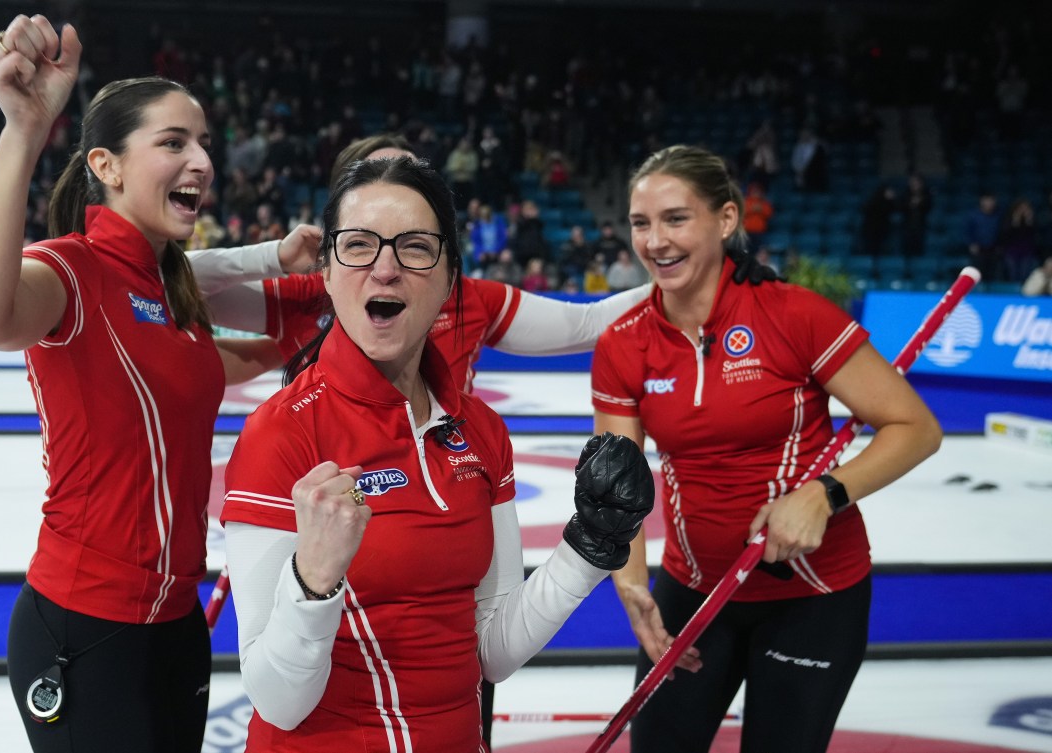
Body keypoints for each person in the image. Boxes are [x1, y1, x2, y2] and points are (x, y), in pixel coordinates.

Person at [219, 157, 654, 751]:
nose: (386, 269)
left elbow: (491, 652)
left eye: (415, 248)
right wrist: (312, 582)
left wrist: (589, 546)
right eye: (359, 246)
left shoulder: (481, 431)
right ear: (325, 270)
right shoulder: (281, 435)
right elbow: (278, 701)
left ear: (451, 276)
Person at [0, 16, 277, 752]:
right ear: (107, 164)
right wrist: (24, 130)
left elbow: (221, 367)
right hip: (82, 630)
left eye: (203, 144)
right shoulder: (71, 270)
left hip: (177, 627)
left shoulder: (174, 294)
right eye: (173, 142)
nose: (200, 160)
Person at [590, 145, 942, 753]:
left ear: (726, 220)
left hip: (812, 597)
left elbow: (916, 427)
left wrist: (823, 494)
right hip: (693, 588)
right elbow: (616, 487)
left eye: (676, 218)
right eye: (641, 223)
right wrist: (631, 585)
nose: (655, 241)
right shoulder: (625, 343)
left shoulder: (792, 314)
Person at [193, 133, 777, 394]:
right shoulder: (301, 293)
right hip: (327, 523)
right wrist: (271, 255)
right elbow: (177, 283)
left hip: (444, 511)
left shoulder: (471, 299)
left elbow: (587, 324)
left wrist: (702, 267)